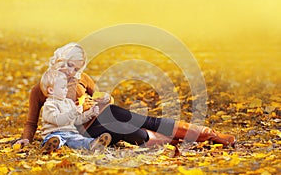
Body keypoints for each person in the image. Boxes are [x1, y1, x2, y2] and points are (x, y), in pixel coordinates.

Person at [14, 42, 236, 148]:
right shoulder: (42, 87)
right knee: (135, 134)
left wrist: (105, 98)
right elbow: (31, 120)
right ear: (58, 60)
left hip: (105, 112)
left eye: (76, 67)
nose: (72, 71)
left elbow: (99, 94)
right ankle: (174, 142)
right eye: (69, 65)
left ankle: (211, 135)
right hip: (85, 128)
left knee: (150, 120)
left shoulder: (82, 79)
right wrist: (26, 138)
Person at [39, 69, 111, 153]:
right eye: (63, 87)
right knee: (56, 139)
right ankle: (50, 146)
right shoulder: (49, 105)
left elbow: (77, 120)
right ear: (51, 90)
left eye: (66, 86)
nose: (66, 89)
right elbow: (58, 120)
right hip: (55, 133)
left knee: (81, 140)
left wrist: (90, 113)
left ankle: (93, 144)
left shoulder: (69, 102)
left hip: (71, 133)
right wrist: (73, 112)